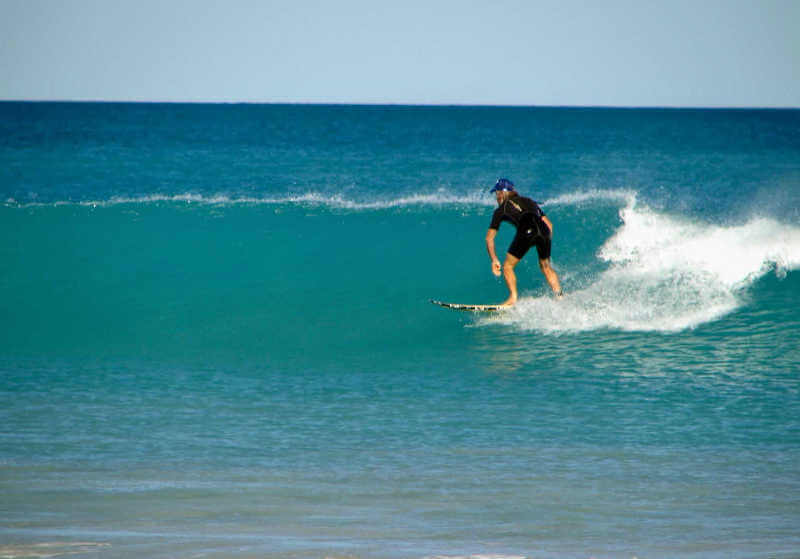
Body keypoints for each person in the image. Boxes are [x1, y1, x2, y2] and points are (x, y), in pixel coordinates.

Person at [485, 178, 562, 306]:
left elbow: (489, 238)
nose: (496, 198)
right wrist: (543, 243)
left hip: (527, 229)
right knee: (546, 267)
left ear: (502, 193)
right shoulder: (529, 201)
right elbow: (549, 225)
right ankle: (560, 296)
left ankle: (513, 298)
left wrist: (494, 260)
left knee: (508, 266)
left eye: (496, 193)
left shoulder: (501, 209)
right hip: (544, 230)